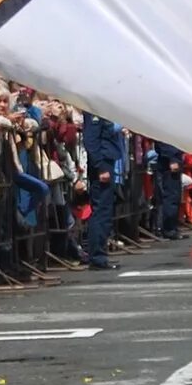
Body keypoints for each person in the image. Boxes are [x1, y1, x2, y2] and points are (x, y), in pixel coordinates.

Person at [78, 109, 125, 268]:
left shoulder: (99, 108)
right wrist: (100, 167)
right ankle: (97, 257)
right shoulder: (94, 110)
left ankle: (100, 254)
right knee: (101, 211)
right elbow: (91, 140)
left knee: (105, 211)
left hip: (107, 159)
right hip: (102, 162)